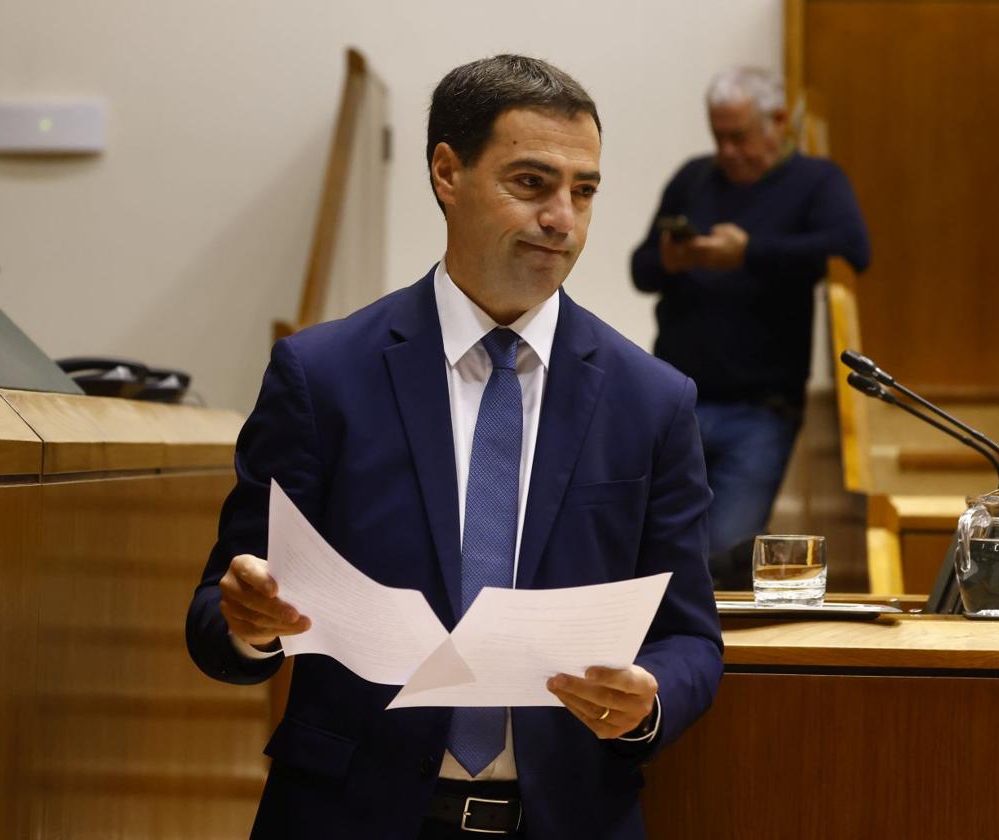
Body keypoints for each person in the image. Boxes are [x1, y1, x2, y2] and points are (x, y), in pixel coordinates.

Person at [186, 55, 723, 839]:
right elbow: (218, 613)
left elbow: (690, 638)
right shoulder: (322, 375)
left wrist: (650, 699)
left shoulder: (654, 401)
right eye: (533, 184)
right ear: (447, 172)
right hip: (347, 814)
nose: (563, 219)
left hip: (566, 818)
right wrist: (249, 621)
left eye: (585, 191)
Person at [630, 66, 870, 590]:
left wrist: (749, 253)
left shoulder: (817, 181)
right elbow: (640, 268)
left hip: (761, 410)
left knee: (721, 560)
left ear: (778, 122)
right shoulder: (693, 177)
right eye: (719, 136)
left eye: (739, 137)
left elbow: (853, 250)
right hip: (676, 401)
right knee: (653, 547)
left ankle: (712, 665)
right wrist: (673, 260)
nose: (728, 151)